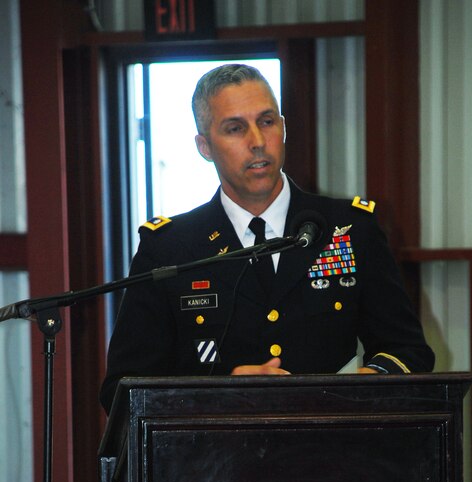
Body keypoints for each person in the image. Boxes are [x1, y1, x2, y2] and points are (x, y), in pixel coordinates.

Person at [100, 63, 434, 412]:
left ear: (284, 127)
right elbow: (122, 391)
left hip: (334, 449)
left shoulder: (347, 228)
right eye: (235, 128)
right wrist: (218, 397)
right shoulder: (171, 248)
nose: (257, 142)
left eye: (267, 122)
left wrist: (361, 386)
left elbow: (409, 351)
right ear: (205, 147)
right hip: (214, 458)